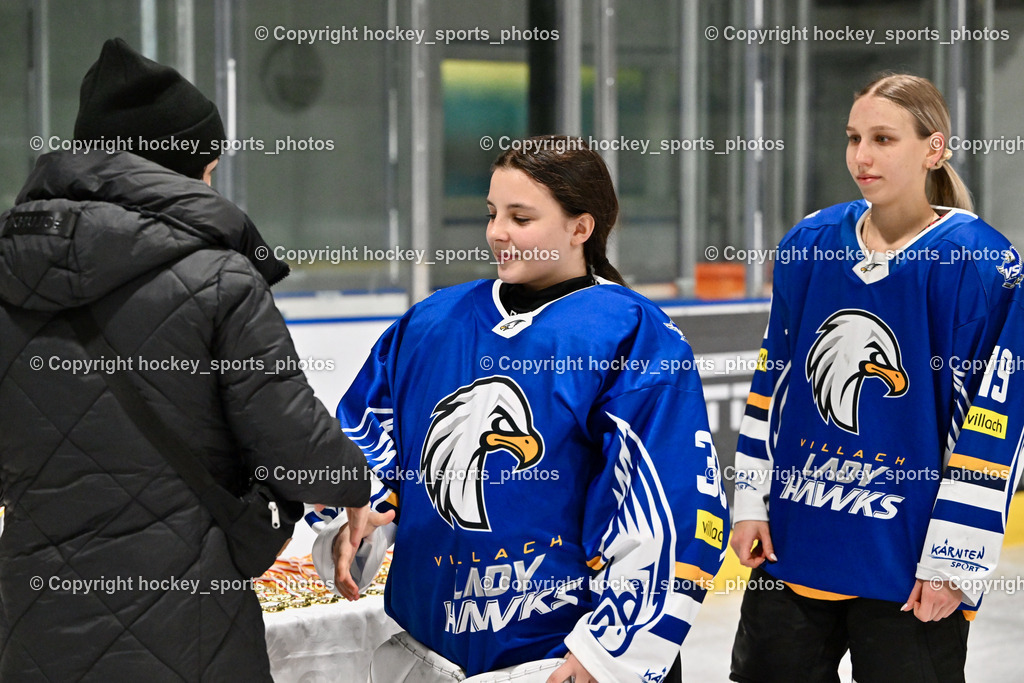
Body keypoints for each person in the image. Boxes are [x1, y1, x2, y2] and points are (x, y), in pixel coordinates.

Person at [0, 38, 371, 680]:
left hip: (35, 626)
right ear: (184, 167)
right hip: (188, 626)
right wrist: (352, 486)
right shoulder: (219, 278)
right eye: (209, 165)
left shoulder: (11, 272)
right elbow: (290, 440)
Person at [310, 136, 729, 682]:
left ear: (581, 228)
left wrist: (604, 655)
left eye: (521, 217)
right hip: (430, 653)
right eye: (491, 214)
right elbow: (372, 445)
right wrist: (358, 514)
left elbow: (671, 506)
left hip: (560, 660)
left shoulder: (631, 335)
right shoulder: (432, 324)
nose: (496, 232)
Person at [728, 72, 1023, 683]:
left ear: (934, 149)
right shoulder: (810, 243)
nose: (861, 156)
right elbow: (772, 382)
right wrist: (751, 499)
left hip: (912, 568)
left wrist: (956, 559)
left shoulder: (982, 264)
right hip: (797, 542)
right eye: (853, 137)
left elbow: (996, 420)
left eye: (884, 139)